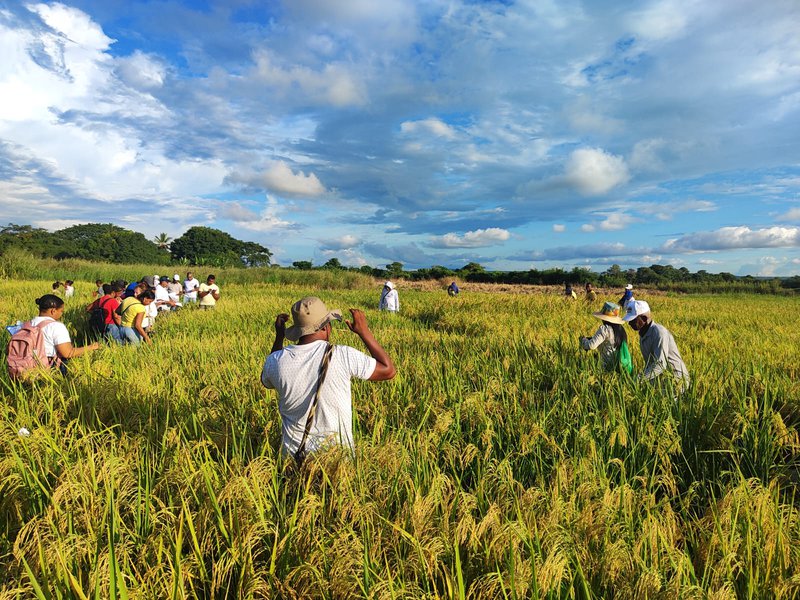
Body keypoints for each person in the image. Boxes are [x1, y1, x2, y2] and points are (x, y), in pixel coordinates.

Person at [261, 296, 396, 459]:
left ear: (297, 331)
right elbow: (388, 371)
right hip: (337, 460)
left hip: (293, 460)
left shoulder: (276, 361)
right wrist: (364, 332)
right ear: (326, 327)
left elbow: (267, 380)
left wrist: (279, 337)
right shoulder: (342, 355)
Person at [623, 300, 690, 392]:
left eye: (633, 320)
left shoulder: (659, 333)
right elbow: (650, 363)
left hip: (675, 379)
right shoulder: (643, 334)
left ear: (644, 318)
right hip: (661, 378)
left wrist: (637, 380)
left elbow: (660, 364)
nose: (629, 323)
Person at [27, 294, 100, 373]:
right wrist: (92, 347)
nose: (62, 314)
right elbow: (68, 353)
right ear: (53, 311)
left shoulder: (26, 324)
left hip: (27, 365)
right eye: (61, 311)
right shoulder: (56, 326)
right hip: (48, 367)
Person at [579, 302, 631, 373]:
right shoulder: (621, 330)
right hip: (618, 365)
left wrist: (583, 340)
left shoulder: (605, 329)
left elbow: (591, 345)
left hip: (605, 366)